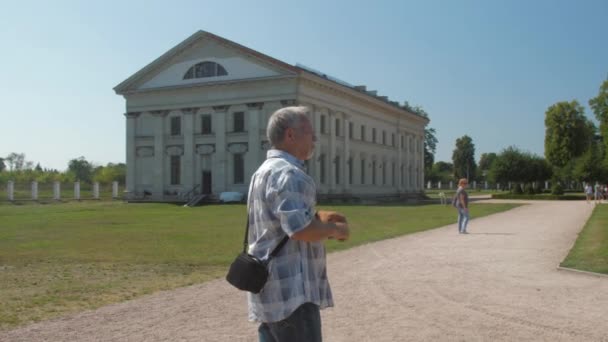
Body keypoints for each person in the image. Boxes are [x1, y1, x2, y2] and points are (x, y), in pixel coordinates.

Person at [245, 106, 350, 342]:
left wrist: (318, 217)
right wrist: (336, 229)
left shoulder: (261, 172)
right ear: (290, 135)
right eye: (309, 132)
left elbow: (281, 222)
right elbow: (301, 230)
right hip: (293, 295)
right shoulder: (290, 174)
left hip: (268, 291)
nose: (315, 138)